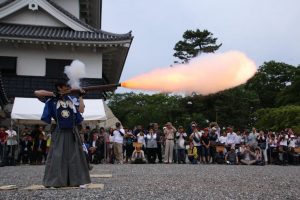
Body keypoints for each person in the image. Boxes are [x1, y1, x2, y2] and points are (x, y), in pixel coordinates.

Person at [34, 81, 91, 188]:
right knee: (57, 156)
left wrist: (80, 96)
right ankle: (54, 182)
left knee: (75, 156)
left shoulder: (72, 99)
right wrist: (53, 94)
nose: (68, 88)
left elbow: (81, 110)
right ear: (59, 87)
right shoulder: (52, 98)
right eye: (66, 86)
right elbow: (37, 93)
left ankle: (78, 181)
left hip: (73, 131)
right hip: (59, 130)